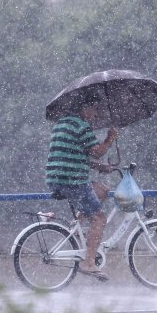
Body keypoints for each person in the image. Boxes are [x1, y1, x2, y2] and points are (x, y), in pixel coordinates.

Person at [45, 94, 119, 281]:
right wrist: (110, 139)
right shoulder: (81, 125)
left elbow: (75, 154)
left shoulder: (62, 123)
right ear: (84, 107)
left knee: (102, 190)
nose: (95, 115)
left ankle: (77, 224)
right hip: (73, 180)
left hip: (57, 178)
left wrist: (101, 168)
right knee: (100, 218)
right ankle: (89, 263)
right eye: (94, 109)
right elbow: (98, 151)